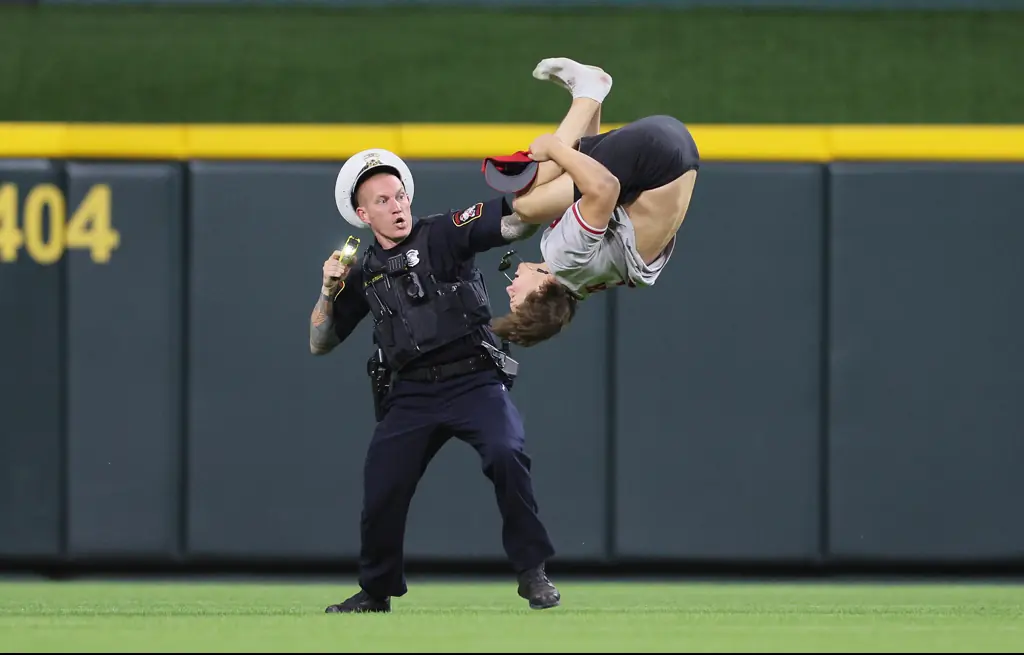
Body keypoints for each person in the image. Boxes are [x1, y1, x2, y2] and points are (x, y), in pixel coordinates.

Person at [308, 146, 569, 613]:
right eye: (383, 201)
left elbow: (514, 223)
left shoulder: (443, 232)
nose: (397, 206)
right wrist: (328, 293)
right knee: (382, 484)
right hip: (411, 393)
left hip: (473, 379)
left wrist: (543, 195)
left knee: (507, 452)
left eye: (400, 195)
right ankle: (376, 591)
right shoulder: (362, 272)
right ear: (363, 214)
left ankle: (533, 572)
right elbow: (320, 342)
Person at [483, 60, 700, 348]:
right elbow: (605, 188)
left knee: (568, 179)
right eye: (515, 299)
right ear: (544, 287)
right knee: (527, 204)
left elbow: (593, 184)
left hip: (678, 156)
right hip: (657, 156)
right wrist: (553, 149)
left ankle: (590, 96)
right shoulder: (564, 259)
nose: (510, 287)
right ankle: (589, 91)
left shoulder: (582, 281)